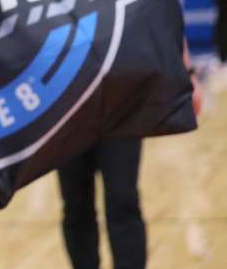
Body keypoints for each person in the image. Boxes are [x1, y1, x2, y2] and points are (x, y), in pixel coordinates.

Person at [55, 45, 203, 269]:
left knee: (123, 198)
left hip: (121, 97)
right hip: (66, 101)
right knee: (76, 205)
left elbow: (160, 11)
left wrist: (186, 70)